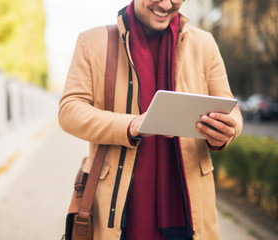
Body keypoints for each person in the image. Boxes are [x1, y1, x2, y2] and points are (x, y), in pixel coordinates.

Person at [58, 0, 243, 239]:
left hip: (190, 210)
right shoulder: (93, 42)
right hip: (119, 209)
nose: (166, 4)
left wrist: (227, 129)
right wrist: (131, 125)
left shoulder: (204, 43)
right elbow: (69, 110)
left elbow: (232, 112)